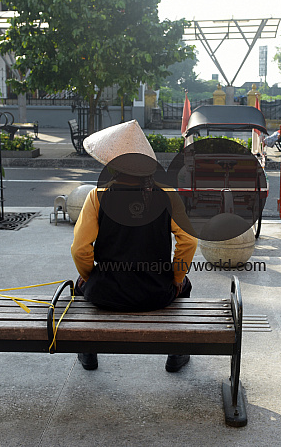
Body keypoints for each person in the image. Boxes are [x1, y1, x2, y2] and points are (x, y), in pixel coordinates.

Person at [70, 119, 198, 372]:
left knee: (79, 286)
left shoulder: (97, 196)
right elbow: (189, 241)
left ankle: (87, 350)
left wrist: (89, 275)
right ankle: (176, 351)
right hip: (156, 294)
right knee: (186, 285)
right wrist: (176, 278)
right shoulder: (167, 195)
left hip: (106, 293)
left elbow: (79, 249)